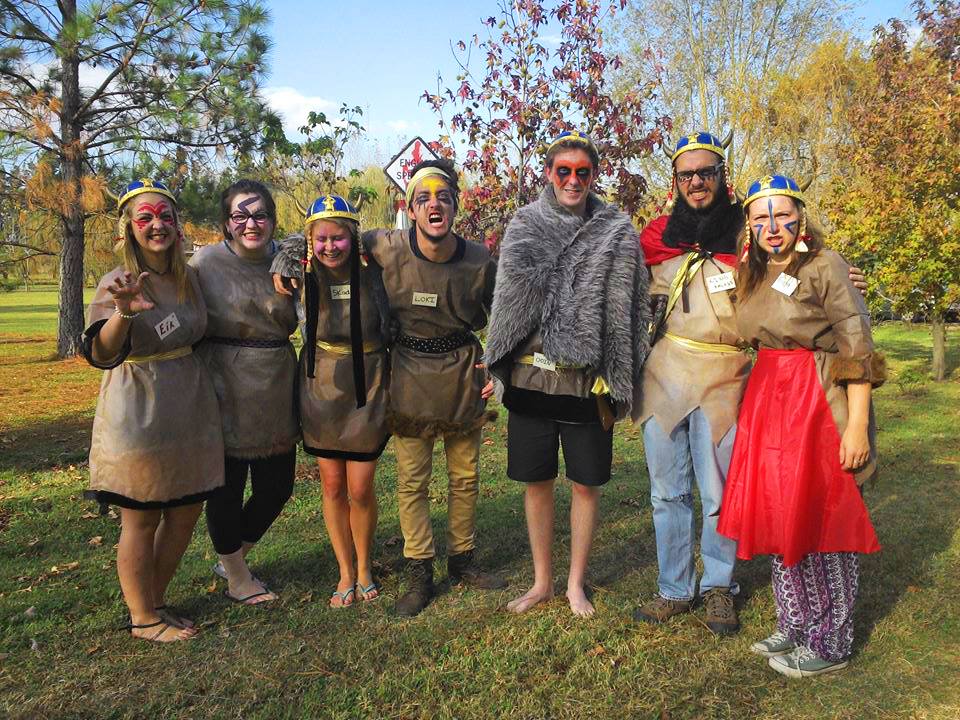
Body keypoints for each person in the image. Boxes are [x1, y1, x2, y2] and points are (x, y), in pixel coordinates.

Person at [633, 133, 867, 635]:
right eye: (687, 174)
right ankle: (673, 587)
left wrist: (845, 279)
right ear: (676, 181)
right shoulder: (655, 238)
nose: (697, 182)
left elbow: (802, 268)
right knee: (666, 492)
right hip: (663, 375)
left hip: (728, 377)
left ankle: (719, 585)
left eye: (707, 172)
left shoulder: (750, 233)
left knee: (720, 492)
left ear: (722, 175)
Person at [274, 160, 505, 617]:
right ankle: (420, 570)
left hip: (462, 372)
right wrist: (285, 259)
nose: (434, 205)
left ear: (456, 206)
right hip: (408, 372)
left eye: (444, 197)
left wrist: (497, 363)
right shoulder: (385, 245)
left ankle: (462, 559)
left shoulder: (479, 258)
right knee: (412, 480)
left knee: (465, 477)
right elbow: (326, 233)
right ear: (410, 209)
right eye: (424, 198)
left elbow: (509, 306)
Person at [718, 174, 883, 678]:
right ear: (749, 225)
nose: (773, 226)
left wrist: (857, 426)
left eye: (783, 215)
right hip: (770, 400)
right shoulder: (750, 270)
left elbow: (857, 345)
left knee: (825, 512)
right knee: (781, 509)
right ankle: (795, 622)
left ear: (801, 217)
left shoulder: (826, 266)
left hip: (818, 399)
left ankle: (830, 639)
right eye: (760, 217)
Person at [485, 130, 651, 617]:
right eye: (564, 171)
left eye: (582, 172)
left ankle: (575, 583)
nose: (573, 180)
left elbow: (629, 308)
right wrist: (498, 361)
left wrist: (620, 374)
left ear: (594, 174)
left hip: (586, 385)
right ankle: (542, 582)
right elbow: (508, 304)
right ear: (549, 174)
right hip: (531, 382)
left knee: (584, 484)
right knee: (536, 482)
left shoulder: (616, 231)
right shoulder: (525, 224)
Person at [81, 179, 224, 642]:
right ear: (129, 227)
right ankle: (142, 617)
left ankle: (156, 599)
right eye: (145, 217)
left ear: (178, 225)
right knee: (141, 515)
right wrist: (124, 312)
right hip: (138, 404)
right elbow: (101, 353)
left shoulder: (189, 277)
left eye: (165, 216)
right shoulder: (117, 281)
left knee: (186, 509)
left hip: (189, 403)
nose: (157, 225)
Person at [275, 194, 391, 607]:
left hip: (368, 383)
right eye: (321, 239)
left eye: (337, 238)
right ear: (310, 241)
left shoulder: (376, 270)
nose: (329, 247)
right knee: (333, 484)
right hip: (321, 384)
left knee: (360, 487)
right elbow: (267, 244)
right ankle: (345, 570)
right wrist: (286, 256)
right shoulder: (300, 273)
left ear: (352, 237)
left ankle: (365, 566)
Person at [190, 180, 299, 605]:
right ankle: (238, 577)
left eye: (260, 215)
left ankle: (232, 558)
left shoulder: (289, 260)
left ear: (272, 220)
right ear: (226, 222)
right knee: (227, 487)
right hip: (222, 382)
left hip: (275, 381)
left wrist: (294, 249)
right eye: (240, 215)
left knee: (277, 487)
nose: (251, 224)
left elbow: (333, 241)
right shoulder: (206, 262)